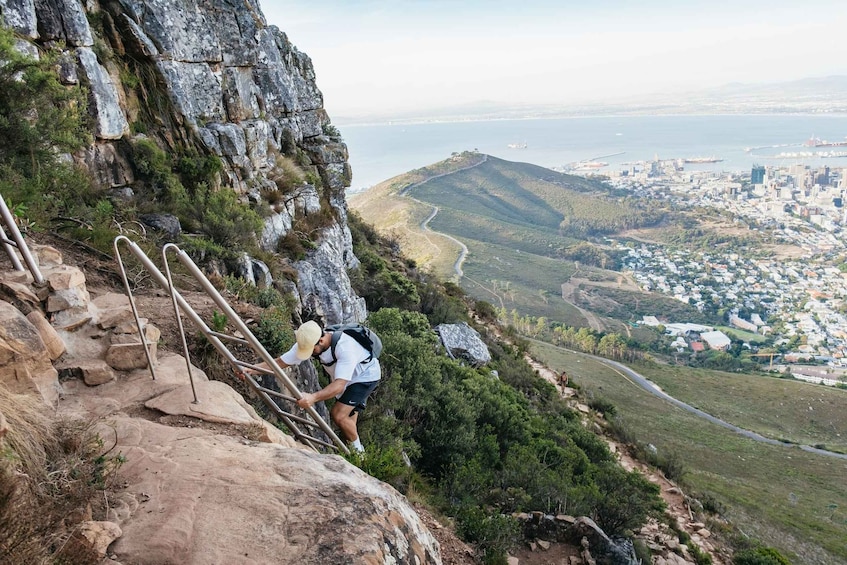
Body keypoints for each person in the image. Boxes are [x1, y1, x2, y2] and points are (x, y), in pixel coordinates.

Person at [246, 320, 380, 453]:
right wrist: (251, 369)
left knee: (339, 415)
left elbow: (339, 385)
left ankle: (360, 457)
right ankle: (357, 453)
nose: (309, 353)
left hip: (364, 376)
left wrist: (313, 397)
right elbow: (280, 362)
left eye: (311, 350)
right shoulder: (308, 341)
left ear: (321, 341)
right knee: (348, 419)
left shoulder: (345, 347)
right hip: (344, 377)